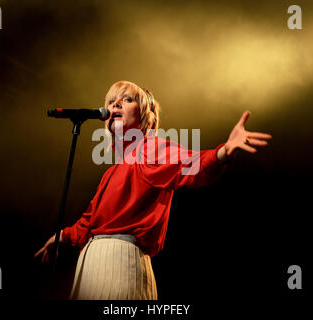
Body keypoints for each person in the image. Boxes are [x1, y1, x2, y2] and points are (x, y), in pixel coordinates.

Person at [34, 80, 272, 300]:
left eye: (127, 99)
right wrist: (62, 236)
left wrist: (224, 151)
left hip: (119, 261)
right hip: (92, 262)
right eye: (110, 101)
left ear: (144, 116)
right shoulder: (112, 171)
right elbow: (89, 221)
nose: (115, 104)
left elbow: (192, 164)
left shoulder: (150, 150)